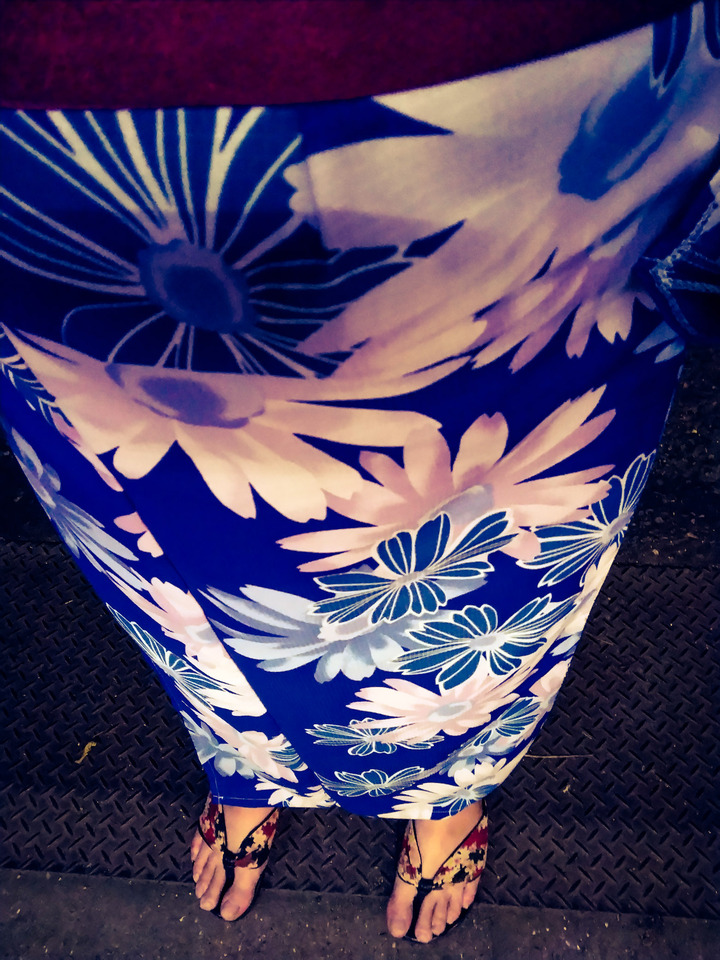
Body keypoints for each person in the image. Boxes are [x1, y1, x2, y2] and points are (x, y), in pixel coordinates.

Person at [1, 0, 718, 944]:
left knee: (493, 540)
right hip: (55, 129)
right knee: (169, 552)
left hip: (537, 95)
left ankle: (445, 783)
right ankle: (250, 758)